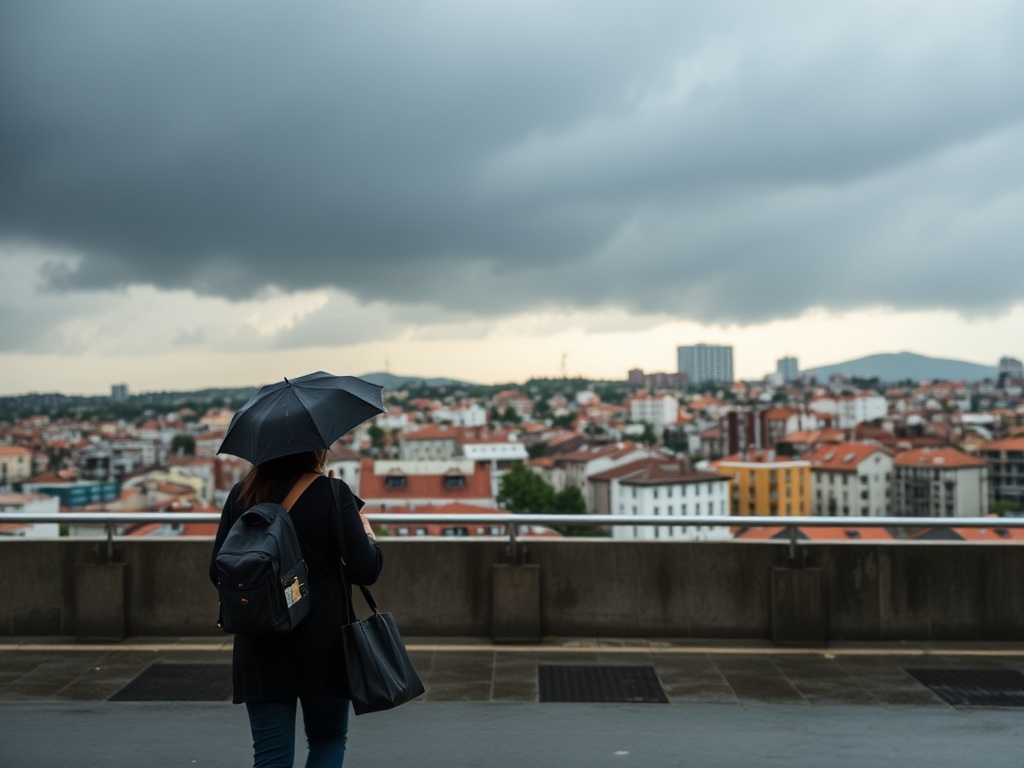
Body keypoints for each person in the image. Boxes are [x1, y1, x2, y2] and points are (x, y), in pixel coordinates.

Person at [210, 449, 382, 768]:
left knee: (271, 756)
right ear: (315, 447)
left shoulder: (241, 495)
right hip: (324, 644)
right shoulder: (333, 493)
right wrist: (367, 533)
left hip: (260, 644)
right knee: (328, 739)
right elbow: (366, 570)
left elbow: (217, 571)